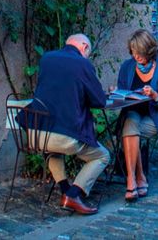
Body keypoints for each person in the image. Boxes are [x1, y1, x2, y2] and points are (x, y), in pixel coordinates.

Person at [22, 34, 109, 215]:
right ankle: (73, 194)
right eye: (88, 53)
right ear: (84, 47)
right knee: (102, 156)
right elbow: (99, 101)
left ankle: (65, 192)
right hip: (63, 136)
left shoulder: (47, 58)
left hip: (36, 133)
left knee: (53, 151)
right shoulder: (83, 64)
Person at [115, 29, 158, 201]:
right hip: (132, 113)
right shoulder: (127, 67)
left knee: (130, 131)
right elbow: (123, 93)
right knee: (130, 124)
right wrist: (117, 93)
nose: (136, 57)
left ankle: (136, 177)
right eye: (133, 52)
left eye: (139, 53)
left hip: (155, 117)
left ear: (149, 51)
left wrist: (155, 96)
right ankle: (134, 180)